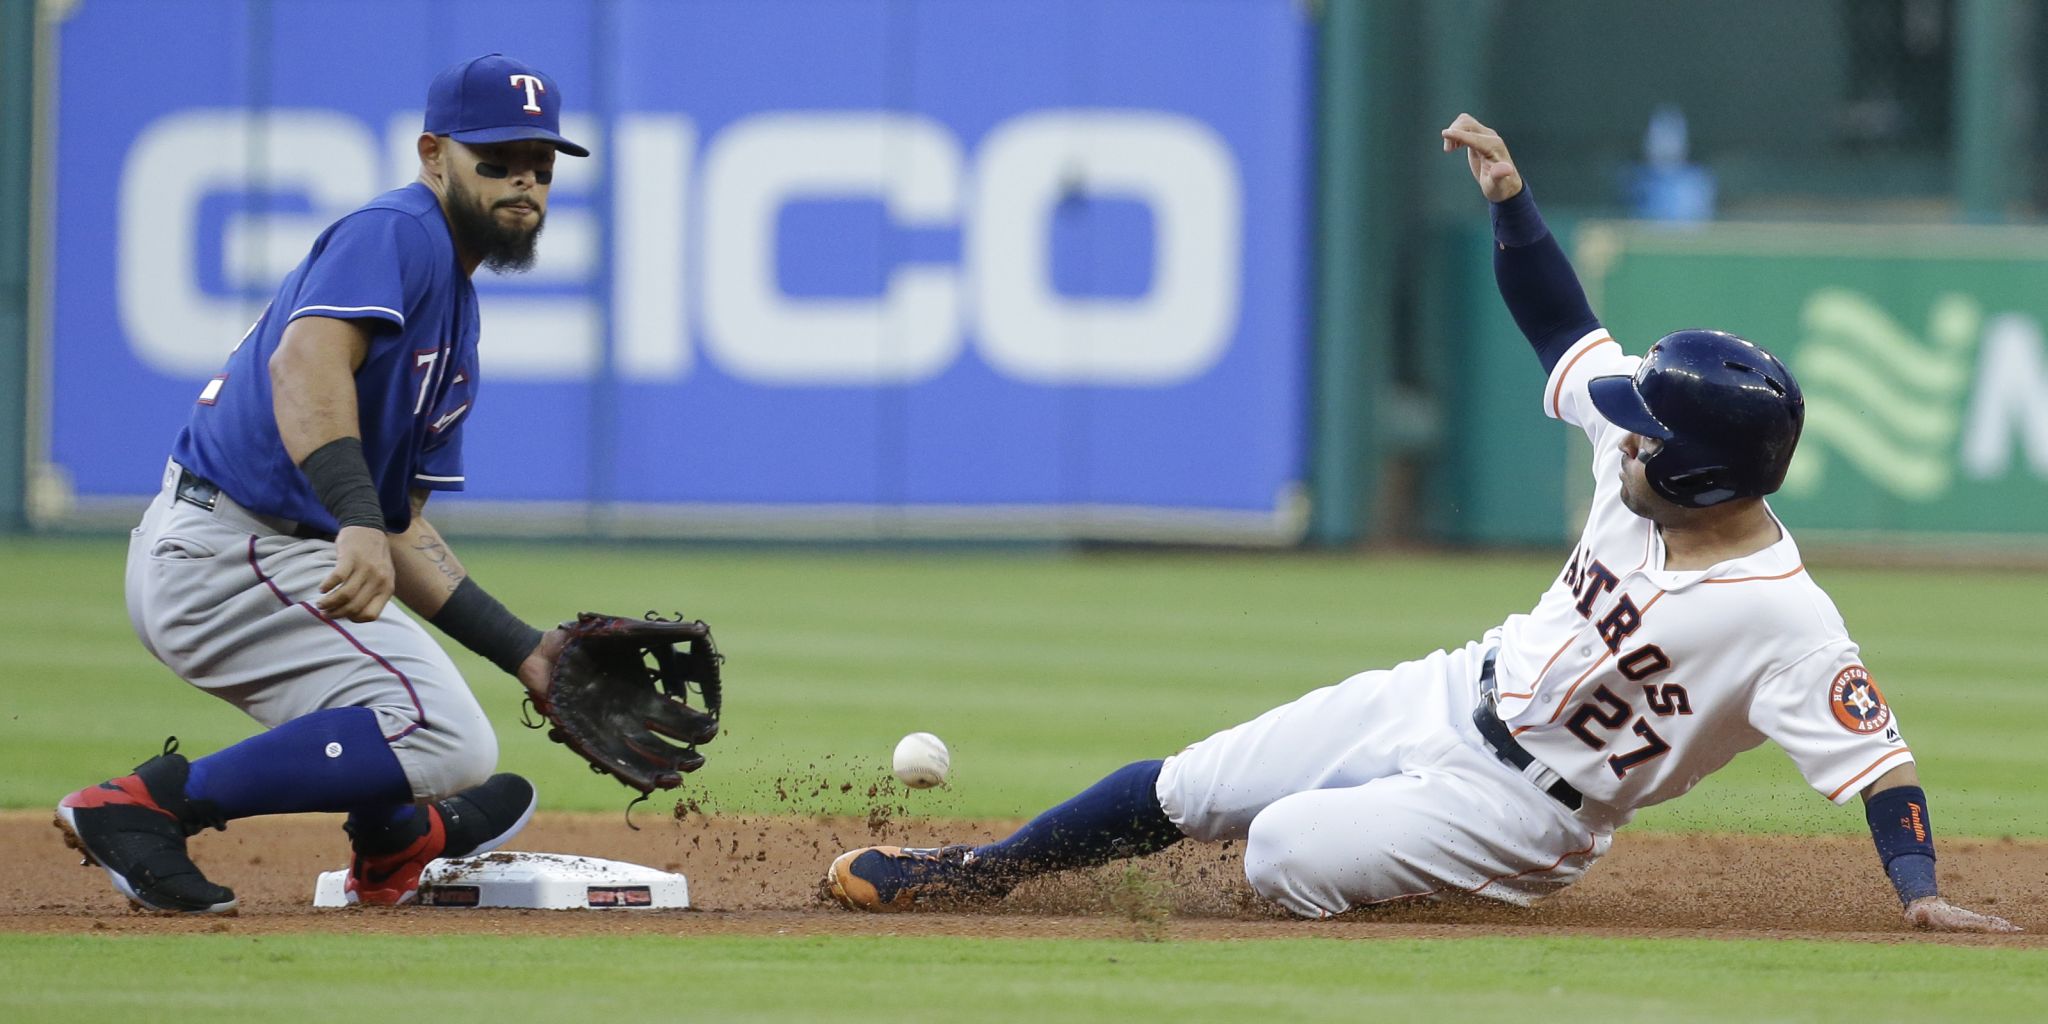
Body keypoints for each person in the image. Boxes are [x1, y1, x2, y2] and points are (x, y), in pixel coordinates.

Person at [822, 114, 2017, 934]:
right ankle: (976, 873)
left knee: (1279, 849)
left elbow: (1880, 762)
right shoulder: (1634, 449)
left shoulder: (1785, 621)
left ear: (1706, 477)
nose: (1626, 432)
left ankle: (1381, 894)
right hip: (1450, 690)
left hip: (1520, 816)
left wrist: (1914, 891)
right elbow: (1561, 331)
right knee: (1188, 782)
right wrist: (1509, 200)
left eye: (1650, 431)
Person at [55, 54, 591, 913]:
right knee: (447, 737)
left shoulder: (456, 313)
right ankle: (143, 808)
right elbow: (302, 365)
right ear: (432, 155)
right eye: (495, 158)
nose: (522, 179)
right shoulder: (398, 232)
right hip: (234, 549)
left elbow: (399, 527)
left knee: (403, 708)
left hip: (270, 554)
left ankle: (395, 839)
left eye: (539, 162)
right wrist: (352, 521)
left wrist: (524, 650)